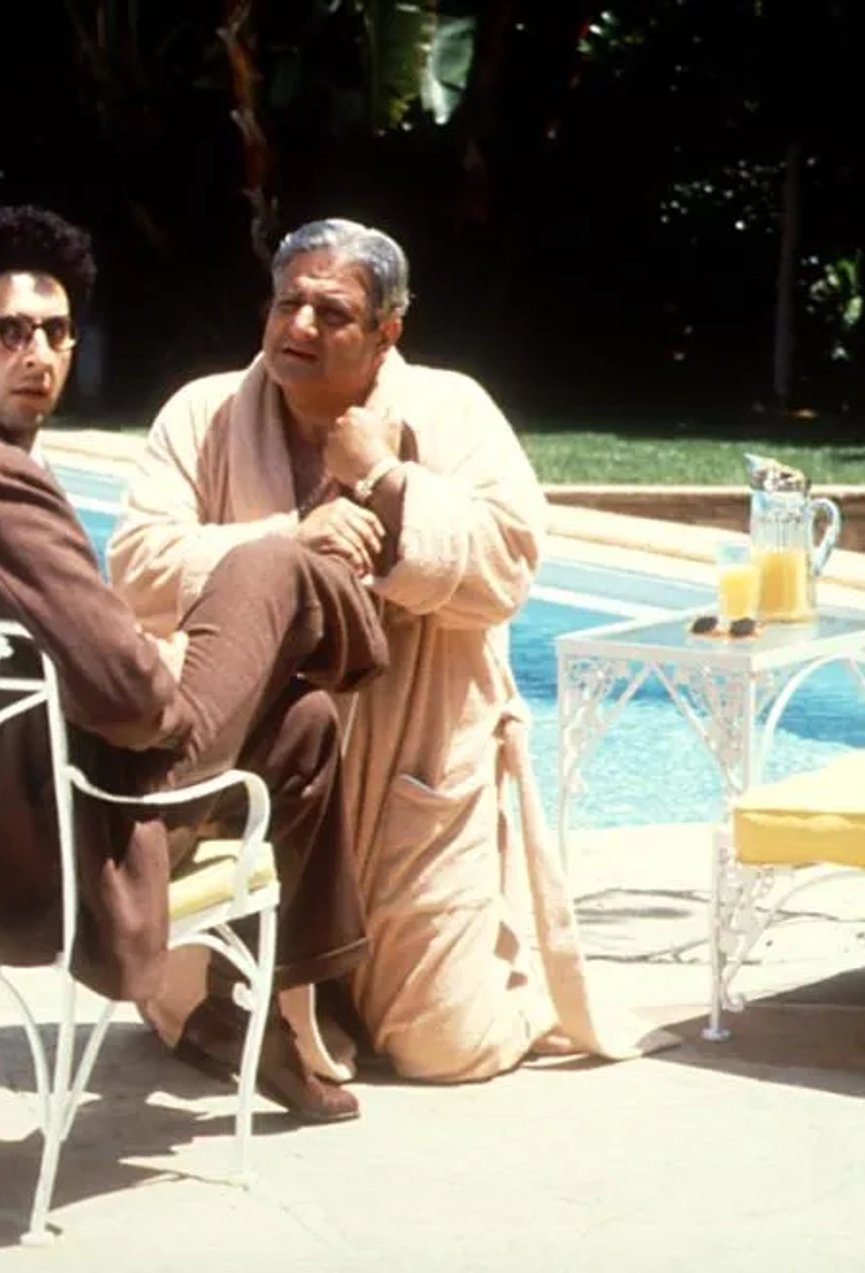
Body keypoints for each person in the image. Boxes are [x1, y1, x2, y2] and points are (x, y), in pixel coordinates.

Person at [0, 205, 392, 1119]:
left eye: (53, 330)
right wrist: (174, 666)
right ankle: (361, 643)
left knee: (305, 723)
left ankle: (256, 1019)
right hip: (47, 846)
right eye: (6, 332)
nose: (37, 352)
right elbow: (135, 704)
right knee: (273, 565)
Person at [107, 217, 668, 1083]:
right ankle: (286, 995)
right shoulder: (203, 411)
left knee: (446, 1047)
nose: (298, 328)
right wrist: (290, 543)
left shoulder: (453, 409)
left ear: (385, 334)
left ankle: (453, 964)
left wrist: (386, 480)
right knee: (193, 1009)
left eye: (330, 314)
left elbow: (508, 567)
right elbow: (137, 566)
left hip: (413, 768)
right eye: (286, 303)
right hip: (261, 768)